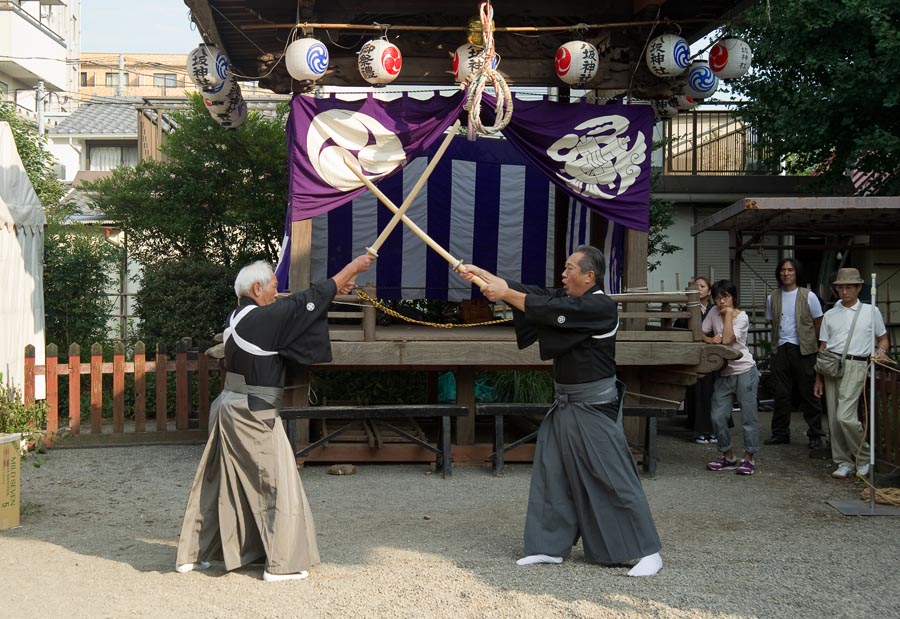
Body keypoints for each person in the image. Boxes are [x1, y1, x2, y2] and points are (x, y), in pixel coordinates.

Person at [461, 245, 663, 577]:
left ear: (589, 276)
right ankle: (548, 546)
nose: (564, 275)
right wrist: (490, 280)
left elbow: (547, 307)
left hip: (594, 405)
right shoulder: (573, 299)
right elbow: (541, 296)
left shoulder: (600, 306)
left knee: (613, 474)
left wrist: (506, 293)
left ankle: (647, 550)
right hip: (566, 401)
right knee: (551, 470)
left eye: (570, 269)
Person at [175, 253, 376, 581]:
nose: (276, 293)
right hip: (254, 412)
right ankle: (282, 564)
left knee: (219, 483)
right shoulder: (259, 320)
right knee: (275, 481)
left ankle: (196, 554)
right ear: (256, 288)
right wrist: (353, 267)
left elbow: (296, 307)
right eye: (272, 287)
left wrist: (332, 293)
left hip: (230, 407)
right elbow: (303, 303)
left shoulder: (239, 316)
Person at [813, 268, 889, 479]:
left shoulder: (870, 311)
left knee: (845, 416)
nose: (844, 291)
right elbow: (823, 347)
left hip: (857, 364)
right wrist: (818, 377)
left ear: (858, 288)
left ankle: (863, 456)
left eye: (849, 287)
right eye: (840, 287)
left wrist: (880, 351)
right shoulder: (829, 314)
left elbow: (883, 338)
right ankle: (843, 461)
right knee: (834, 419)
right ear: (835, 289)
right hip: (831, 365)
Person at [763, 258, 826, 448]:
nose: (786, 273)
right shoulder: (772, 297)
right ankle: (780, 433)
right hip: (780, 348)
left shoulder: (808, 295)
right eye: (783, 270)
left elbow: (818, 323)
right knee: (781, 393)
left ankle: (816, 434)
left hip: (804, 349)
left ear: (797, 272)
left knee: (808, 392)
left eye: (790, 270)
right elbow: (772, 322)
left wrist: (811, 343)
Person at [702, 280, 761, 476]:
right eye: (717, 298)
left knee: (748, 416)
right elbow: (700, 333)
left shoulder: (741, 317)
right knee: (717, 415)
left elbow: (727, 340)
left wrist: (727, 314)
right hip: (724, 372)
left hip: (745, 370)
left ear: (733, 297)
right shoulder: (712, 312)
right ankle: (727, 456)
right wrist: (711, 339)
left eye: (725, 297)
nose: (721, 301)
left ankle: (749, 457)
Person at [685, 276, 717, 443]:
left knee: (714, 393)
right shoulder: (688, 308)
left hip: (713, 355)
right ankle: (699, 430)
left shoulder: (714, 309)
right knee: (698, 393)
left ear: (709, 291)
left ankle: (714, 429)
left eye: (702, 286)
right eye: (695, 286)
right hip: (695, 355)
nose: (698, 288)